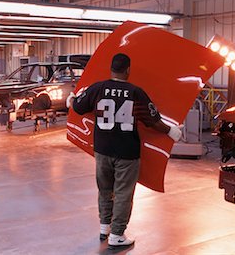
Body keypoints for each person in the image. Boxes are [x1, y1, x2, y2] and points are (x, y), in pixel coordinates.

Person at [67, 53, 182, 248]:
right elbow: (152, 120)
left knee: (104, 189)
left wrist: (72, 99)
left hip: (102, 150)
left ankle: (104, 227)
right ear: (128, 70)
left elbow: (77, 107)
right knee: (123, 194)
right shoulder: (136, 92)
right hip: (127, 152)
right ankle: (117, 234)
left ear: (111, 69)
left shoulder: (98, 88)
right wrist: (170, 130)